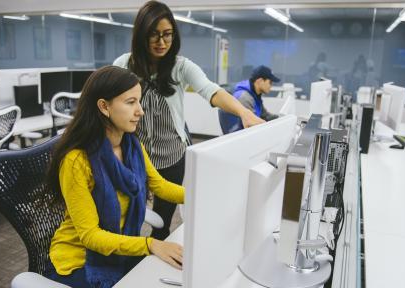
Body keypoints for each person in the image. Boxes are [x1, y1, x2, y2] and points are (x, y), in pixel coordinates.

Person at [114, 0, 264, 240]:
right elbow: (108, 103)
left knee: (161, 225)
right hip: (134, 157)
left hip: (171, 157)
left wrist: (244, 112)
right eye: (154, 35)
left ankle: (153, 267)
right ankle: (126, 267)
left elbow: (211, 90)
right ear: (141, 35)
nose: (162, 42)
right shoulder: (123, 66)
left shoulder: (181, 67)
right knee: (128, 221)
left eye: (167, 35)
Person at [46, 66, 185, 288]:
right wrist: (150, 244)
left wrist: (203, 195)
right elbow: (91, 236)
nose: (140, 111)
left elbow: (161, 186)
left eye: (139, 102)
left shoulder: (132, 146)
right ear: (104, 106)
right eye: (131, 102)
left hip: (120, 252)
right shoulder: (77, 161)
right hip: (80, 261)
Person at [219, 65, 280, 134]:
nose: (271, 86)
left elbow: (265, 115)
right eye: (270, 83)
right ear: (260, 81)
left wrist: (280, 118)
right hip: (238, 139)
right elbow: (253, 125)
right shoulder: (244, 98)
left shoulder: (255, 95)